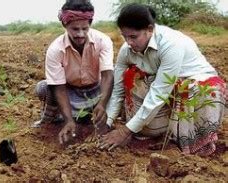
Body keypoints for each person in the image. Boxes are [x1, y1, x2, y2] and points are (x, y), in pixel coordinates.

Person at [99, 3, 227, 156]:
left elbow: (159, 93)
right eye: (125, 36)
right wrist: (107, 122)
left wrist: (125, 131)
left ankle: (186, 141)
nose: (129, 42)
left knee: (202, 89)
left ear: (150, 29)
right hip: (166, 86)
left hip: (195, 83)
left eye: (133, 37)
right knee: (131, 75)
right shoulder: (127, 50)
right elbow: (118, 89)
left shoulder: (171, 44)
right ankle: (157, 130)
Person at [33, 0, 114, 145]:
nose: (81, 34)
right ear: (65, 25)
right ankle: (65, 117)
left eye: (85, 28)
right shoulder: (55, 49)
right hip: (70, 91)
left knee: (118, 81)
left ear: (90, 24)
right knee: (43, 87)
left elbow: (108, 74)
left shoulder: (103, 40)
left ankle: (92, 114)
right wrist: (69, 121)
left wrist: (102, 104)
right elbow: (58, 87)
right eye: (75, 29)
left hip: (97, 90)